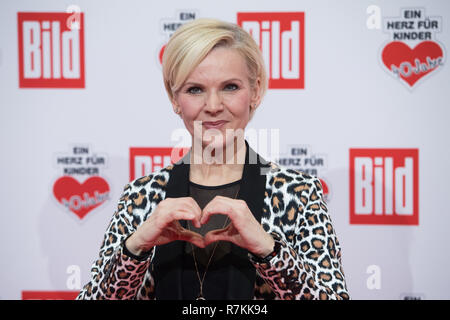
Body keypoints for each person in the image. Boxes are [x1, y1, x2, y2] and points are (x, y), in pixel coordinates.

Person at [77, 18, 349, 300]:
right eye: (195, 89)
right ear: (174, 98)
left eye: (230, 87)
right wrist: (136, 247)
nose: (213, 106)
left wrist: (270, 250)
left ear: (255, 91)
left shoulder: (298, 194)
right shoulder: (142, 196)